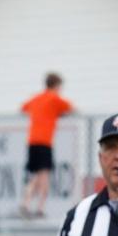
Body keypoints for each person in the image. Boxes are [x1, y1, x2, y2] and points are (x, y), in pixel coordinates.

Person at [20, 72, 73, 219]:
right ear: (56, 86)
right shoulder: (54, 98)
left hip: (32, 141)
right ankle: (40, 208)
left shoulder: (37, 98)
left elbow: (24, 108)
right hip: (45, 142)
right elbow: (70, 107)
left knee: (35, 175)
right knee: (44, 176)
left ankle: (26, 202)